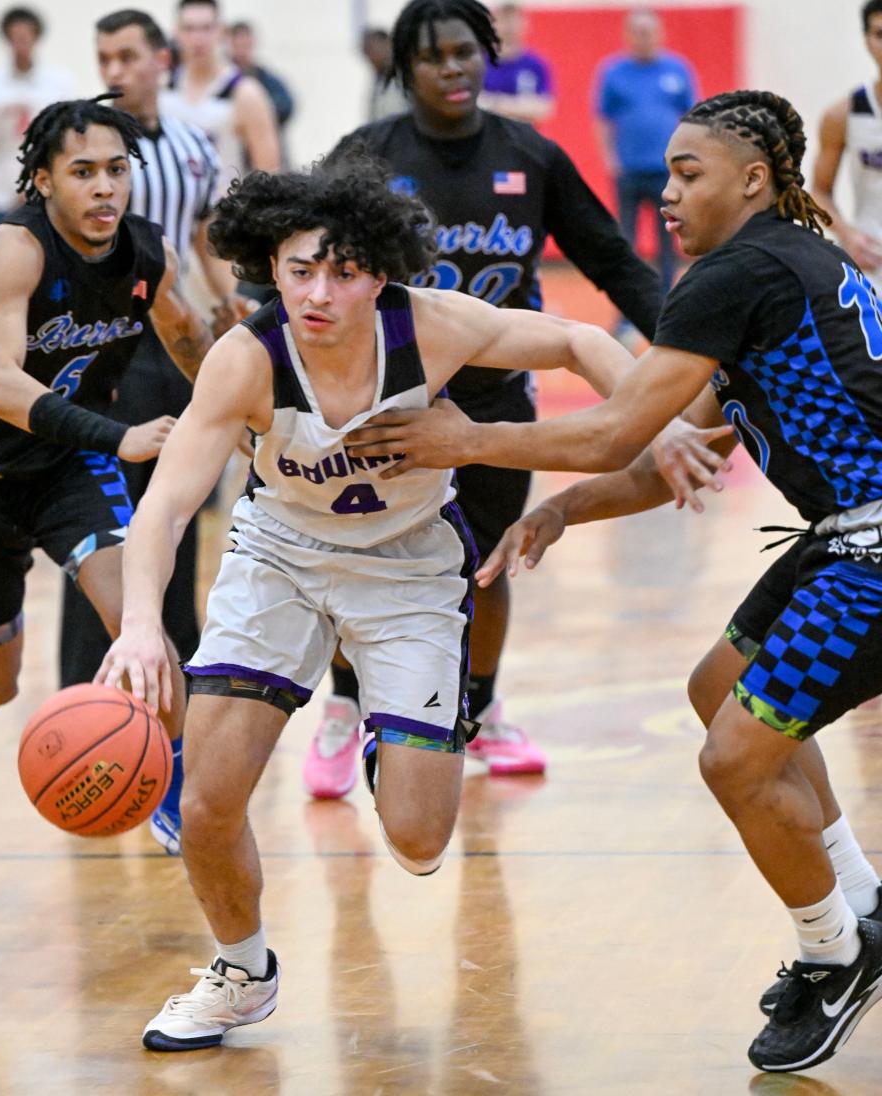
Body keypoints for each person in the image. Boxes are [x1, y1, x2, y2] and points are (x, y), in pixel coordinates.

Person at [352, 89, 882, 1075]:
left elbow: (612, 424)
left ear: (756, 179)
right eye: (669, 173)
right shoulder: (779, 270)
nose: (668, 194)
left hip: (875, 548)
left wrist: (471, 437)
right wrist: (560, 509)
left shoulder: (738, 271)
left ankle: (834, 953)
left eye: (690, 174)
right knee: (718, 688)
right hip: (846, 533)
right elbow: (677, 449)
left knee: (734, 759)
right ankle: (859, 905)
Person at [94, 151, 656, 1050]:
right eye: (299, 269)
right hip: (280, 558)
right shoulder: (248, 359)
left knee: (421, 841)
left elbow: (578, 341)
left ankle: (381, 732)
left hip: (406, 569)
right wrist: (141, 625)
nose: (318, 291)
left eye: (343, 272)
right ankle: (241, 971)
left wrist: (649, 421)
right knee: (206, 798)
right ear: (269, 267)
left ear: (380, 272)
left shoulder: (430, 327)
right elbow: (163, 506)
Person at [303, 0, 663, 798]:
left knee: (488, 562)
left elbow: (612, 259)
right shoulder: (364, 155)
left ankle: (481, 711)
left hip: (498, 402)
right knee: (354, 556)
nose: (454, 69)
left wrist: (682, 345)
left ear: (487, 54)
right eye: (433, 57)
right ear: (405, 69)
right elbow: (301, 259)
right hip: (381, 399)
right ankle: (342, 708)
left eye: (466, 52)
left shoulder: (529, 154)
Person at [0, 96, 214, 872]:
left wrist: (246, 411)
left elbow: (185, 333)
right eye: (82, 172)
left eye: (116, 170)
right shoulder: (13, 252)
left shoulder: (148, 257)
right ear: (45, 181)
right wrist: (118, 436)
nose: (104, 188)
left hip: (64, 468)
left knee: (143, 626)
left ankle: (180, 799)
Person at [59, 9, 244, 859]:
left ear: (161, 61)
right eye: (104, 57)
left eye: (127, 55)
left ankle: (174, 713)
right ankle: (85, 711)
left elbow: (204, 238)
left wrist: (231, 309)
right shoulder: (85, 153)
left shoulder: (196, 144)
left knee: (176, 528)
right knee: (103, 523)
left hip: (174, 353)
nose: (115, 68)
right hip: (107, 359)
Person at [594, 8, 697, 298]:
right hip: (628, 171)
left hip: (668, 173)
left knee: (670, 238)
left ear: (660, 33)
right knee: (625, 241)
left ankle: (666, 300)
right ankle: (629, 303)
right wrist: (609, 158)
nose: (644, 37)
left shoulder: (677, 70)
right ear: (628, 35)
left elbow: (692, 117)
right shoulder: (613, 72)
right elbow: (603, 118)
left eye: (649, 31)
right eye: (638, 32)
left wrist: (687, 161)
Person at [0, 7, 74, 230]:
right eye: (15, 38)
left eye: (26, 37)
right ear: (6, 39)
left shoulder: (59, 82)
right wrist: (2, 112)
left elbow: (67, 135)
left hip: (45, 189)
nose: (21, 44)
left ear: (36, 37)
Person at [163, 0, 281, 196]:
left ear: (221, 32)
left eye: (206, 28)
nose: (198, 38)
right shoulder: (162, 91)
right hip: (173, 221)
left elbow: (270, 175)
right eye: (189, 29)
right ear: (176, 32)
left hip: (223, 217)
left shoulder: (245, 93)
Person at [810, 0, 882, 289]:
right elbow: (818, 192)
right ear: (866, 41)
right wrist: (847, 235)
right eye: (880, 34)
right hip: (873, 260)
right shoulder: (842, 115)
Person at [479, 3, 554, 125]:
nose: (509, 26)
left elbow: (544, 109)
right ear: (493, 25)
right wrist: (520, 106)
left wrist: (498, 104)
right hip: (488, 138)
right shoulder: (481, 62)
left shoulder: (536, 65)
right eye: (504, 19)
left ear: (525, 24)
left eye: (514, 19)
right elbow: (475, 104)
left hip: (524, 139)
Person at [227, 20, 295, 139]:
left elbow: (286, 107)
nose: (242, 51)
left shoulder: (268, 80)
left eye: (246, 45)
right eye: (238, 45)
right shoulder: (222, 80)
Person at [361, 28, 408, 123]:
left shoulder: (405, 74)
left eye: (373, 50)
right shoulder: (378, 80)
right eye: (366, 53)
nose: (370, 57)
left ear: (387, 44)